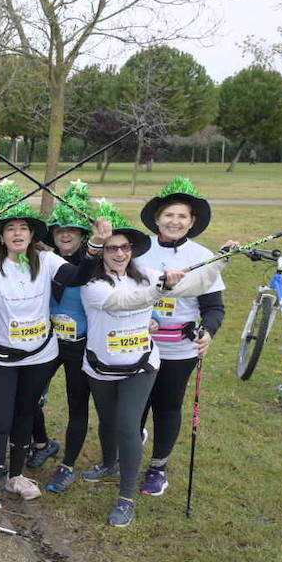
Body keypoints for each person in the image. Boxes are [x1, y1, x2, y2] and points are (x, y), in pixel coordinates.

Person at [0, 192, 109, 523]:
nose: (18, 233)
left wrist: (95, 244)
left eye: (24, 228)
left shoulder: (49, 262)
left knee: (25, 415)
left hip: (39, 356)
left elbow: (79, 276)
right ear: (1, 237)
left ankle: (17, 476)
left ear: (33, 235)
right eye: (11, 229)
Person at [77, 202, 224, 526]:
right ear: (102, 252)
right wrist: (161, 288)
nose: (119, 254)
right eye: (112, 248)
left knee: (129, 426)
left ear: (132, 250)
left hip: (142, 364)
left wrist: (219, 261)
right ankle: (108, 463)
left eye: (125, 248)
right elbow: (123, 303)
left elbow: (193, 286)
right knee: (108, 421)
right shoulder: (91, 284)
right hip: (100, 364)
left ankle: (126, 498)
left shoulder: (144, 275)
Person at [134, 178, 236, 497]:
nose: (174, 221)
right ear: (156, 219)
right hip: (135, 344)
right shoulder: (137, 251)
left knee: (166, 405)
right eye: (169, 215)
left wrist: (209, 331)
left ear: (192, 222)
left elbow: (214, 308)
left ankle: (157, 468)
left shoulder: (204, 256)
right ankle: (131, 441)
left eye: (182, 216)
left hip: (178, 349)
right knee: (134, 404)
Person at [33, 182, 96, 492]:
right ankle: (41, 443)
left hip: (81, 347)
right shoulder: (45, 262)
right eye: (59, 231)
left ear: (83, 235)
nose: (66, 235)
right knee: (28, 396)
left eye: (72, 230)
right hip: (47, 343)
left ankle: (68, 465)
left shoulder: (95, 264)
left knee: (77, 405)